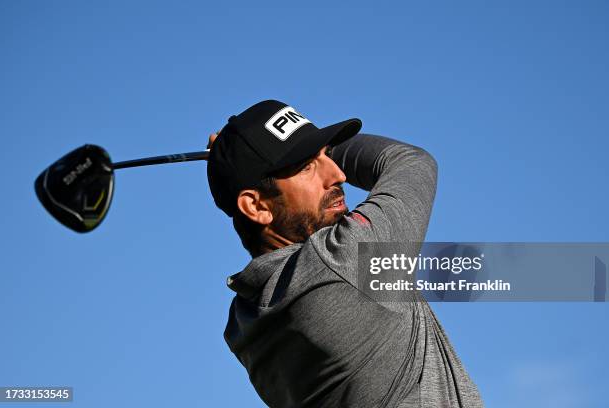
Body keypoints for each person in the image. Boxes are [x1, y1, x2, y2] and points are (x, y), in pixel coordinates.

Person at [207, 100, 483, 407]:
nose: (338, 174)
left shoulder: (243, 323)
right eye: (307, 166)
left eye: (327, 154)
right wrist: (245, 154)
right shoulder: (341, 261)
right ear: (256, 207)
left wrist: (237, 161)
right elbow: (410, 162)